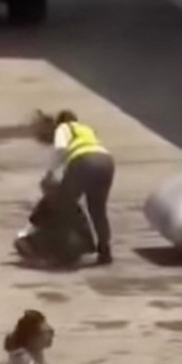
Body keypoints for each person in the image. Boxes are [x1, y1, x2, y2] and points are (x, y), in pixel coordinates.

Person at [31, 109, 116, 265]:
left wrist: (50, 173)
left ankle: (67, 248)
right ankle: (105, 250)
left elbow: (61, 149)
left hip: (84, 161)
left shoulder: (64, 128)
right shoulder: (87, 129)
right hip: (106, 162)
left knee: (63, 204)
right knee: (98, 210)